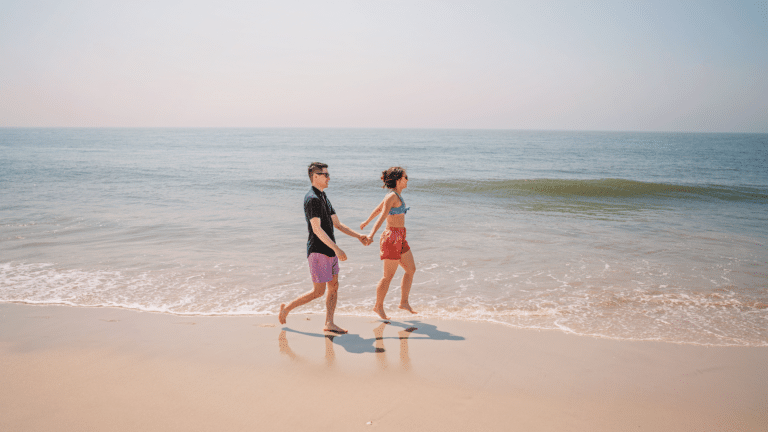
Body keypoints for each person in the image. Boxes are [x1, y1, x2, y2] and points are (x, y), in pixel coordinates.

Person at [279, 162, 371, 333]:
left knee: (334, 286)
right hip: (318, 251)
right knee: (318, 292)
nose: (329, 177)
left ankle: (329, 323)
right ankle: (287, 309)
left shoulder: (323, 196)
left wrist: (359, 236)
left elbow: (337, 223)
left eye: (328, 174)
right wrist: (337, 249)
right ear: (315, 176)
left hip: (330, 250)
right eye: (325, 174)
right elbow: (316, 229)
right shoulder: (312, 199)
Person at [360, 167, 418, 320]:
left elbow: (378, 209)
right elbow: (382, 215)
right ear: (398, 180)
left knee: (411, 269)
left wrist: (366, 221)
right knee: (388, 276)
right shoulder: (392, 196)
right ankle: (378, 306)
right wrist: (371, 234)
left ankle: (404, 302)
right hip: (391, 238)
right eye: (406, 177)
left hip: (400, 237)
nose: (407, 179)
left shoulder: (395, 195)